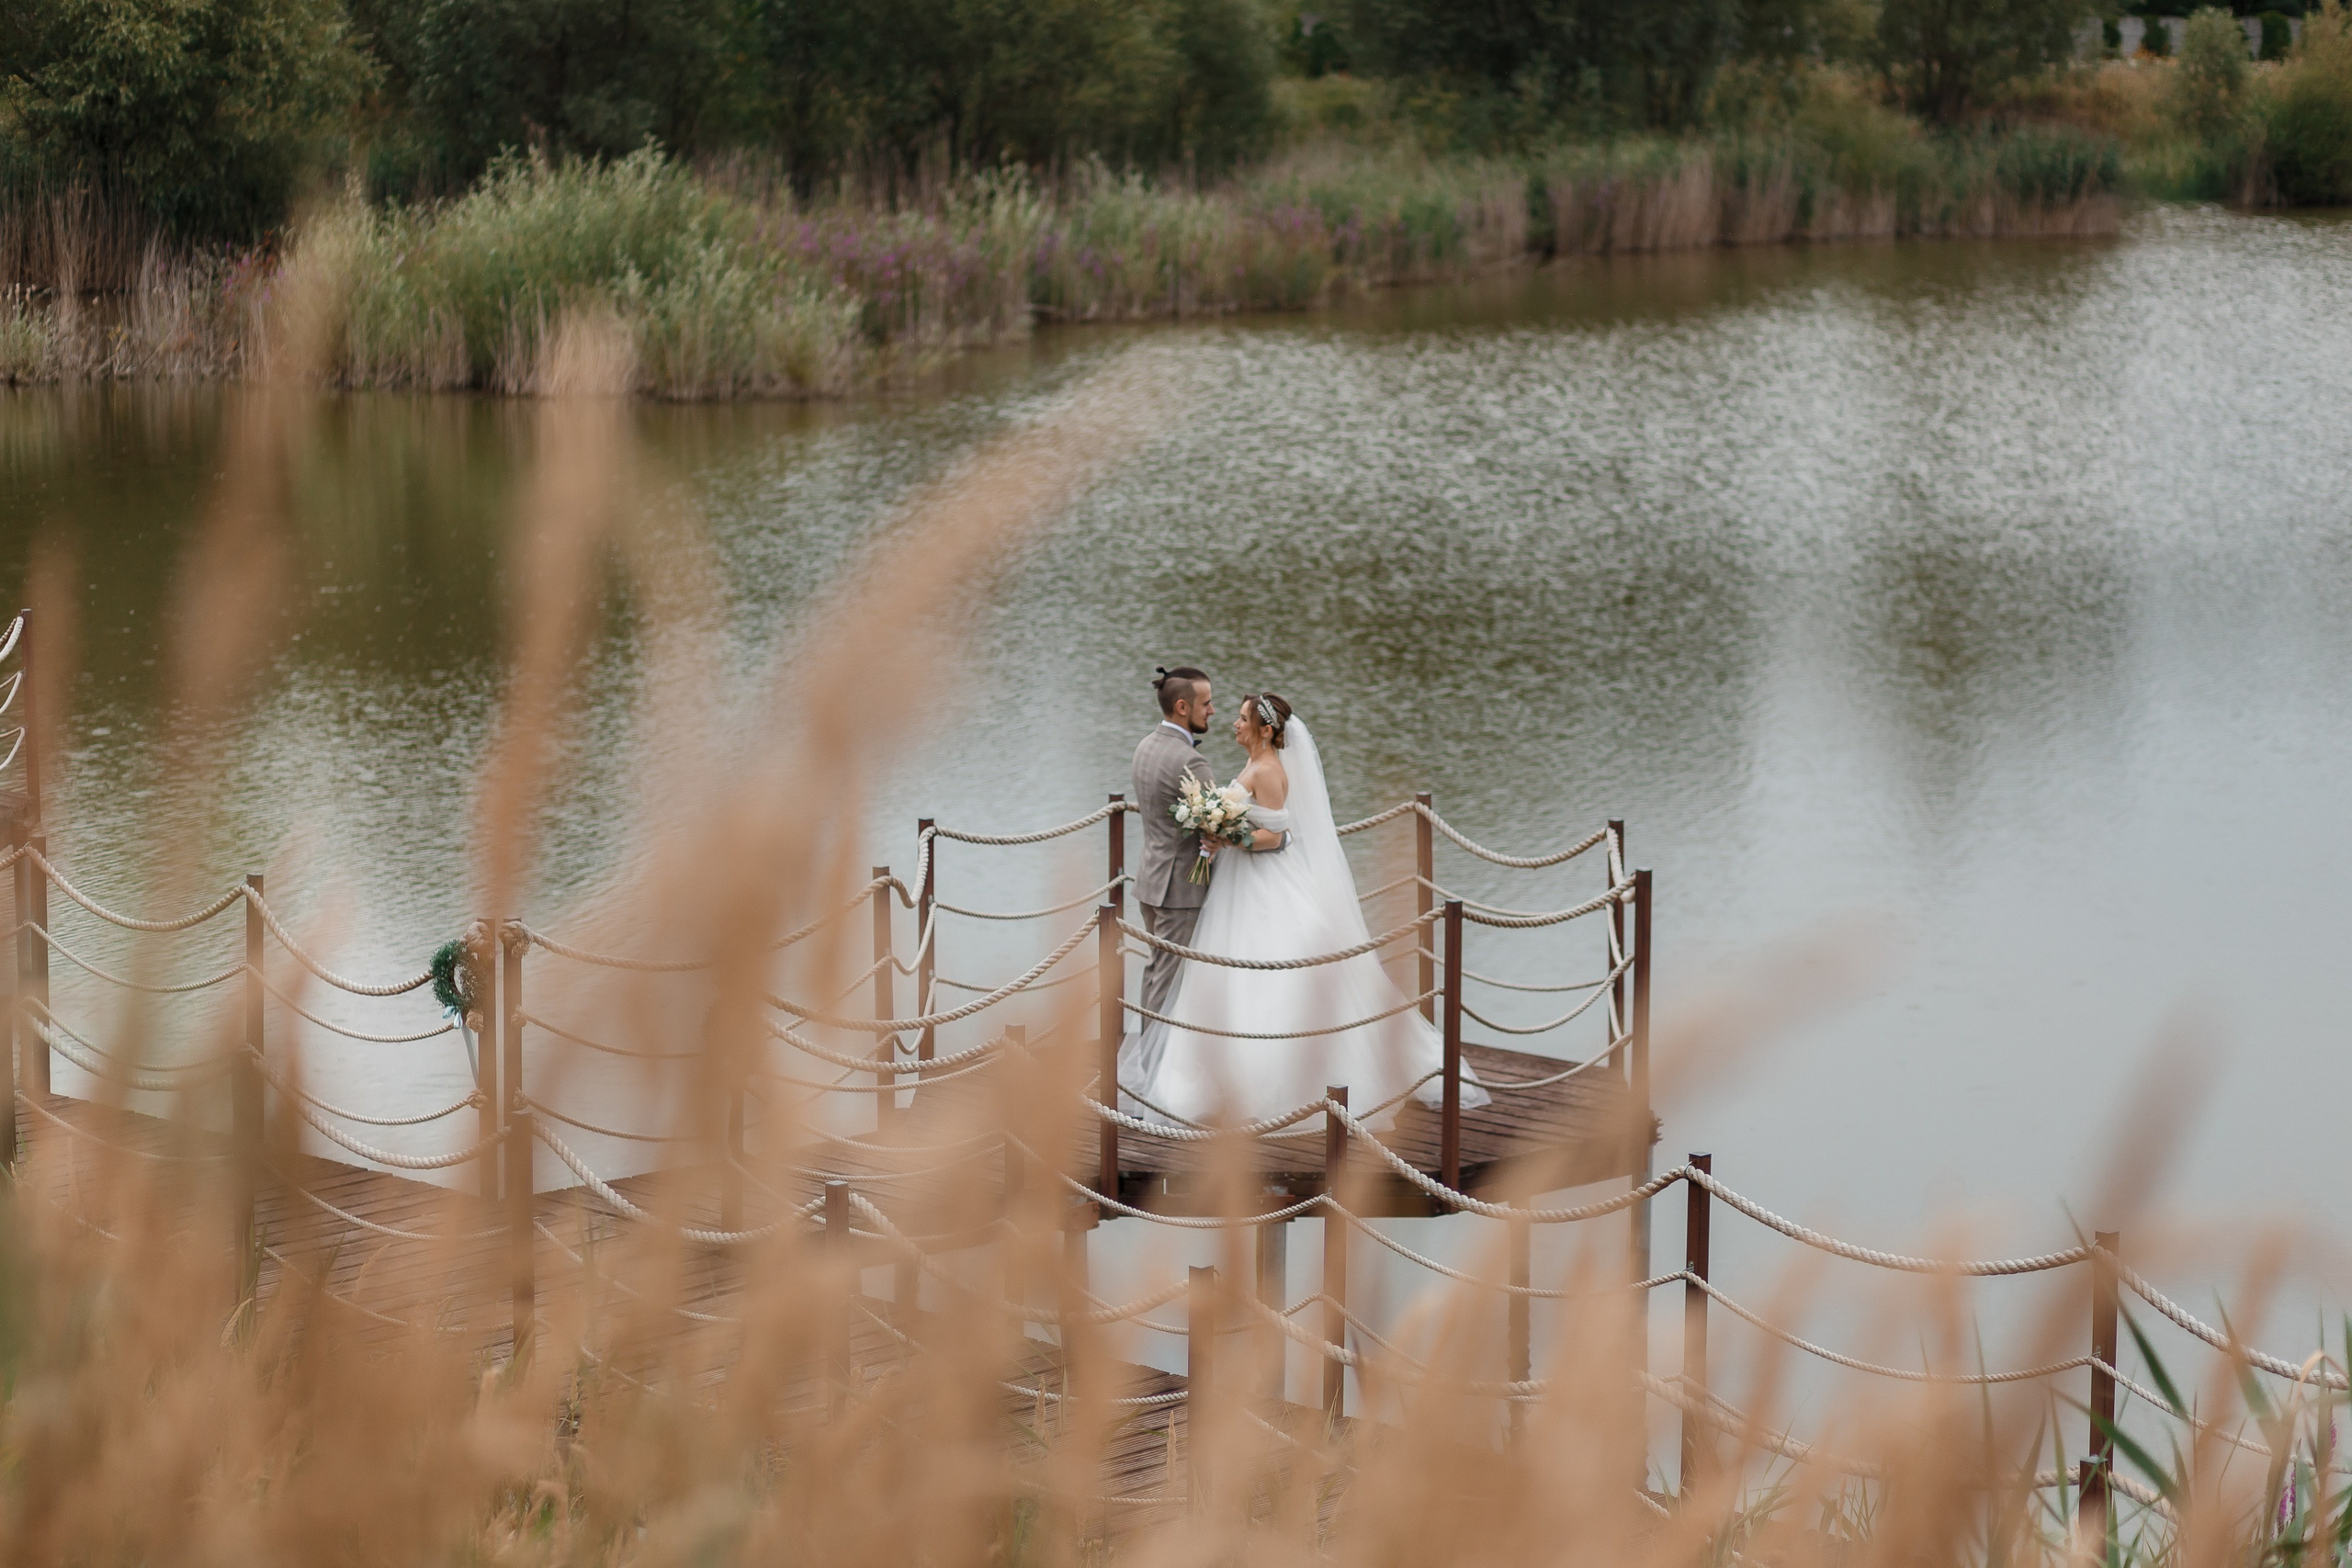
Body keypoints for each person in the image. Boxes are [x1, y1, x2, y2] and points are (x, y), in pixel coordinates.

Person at [1122, 692, 1487, 1130]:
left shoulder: (1270, 771)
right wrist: (1221, 833)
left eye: (1241, 719)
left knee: (1268, 971)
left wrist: (1229, 836)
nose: (1233, 725)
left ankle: (1277, 1086)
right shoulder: (1256, 764)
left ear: (1267, 730)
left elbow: (1275, 837)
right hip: (1239, 885)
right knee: (1228, 970)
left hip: (1262, 884)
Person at [1129, 666, 1217, 1030]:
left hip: (1151, 879)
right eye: (1206, 703)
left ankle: (1149, 1061)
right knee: (1168, 981)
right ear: (1183, 707)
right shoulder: (1189, 760)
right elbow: (1220, 819)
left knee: (1155, 972)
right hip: (1180, 889)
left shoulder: (1145, 746)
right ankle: (1153, 1070)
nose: (1212, 711)